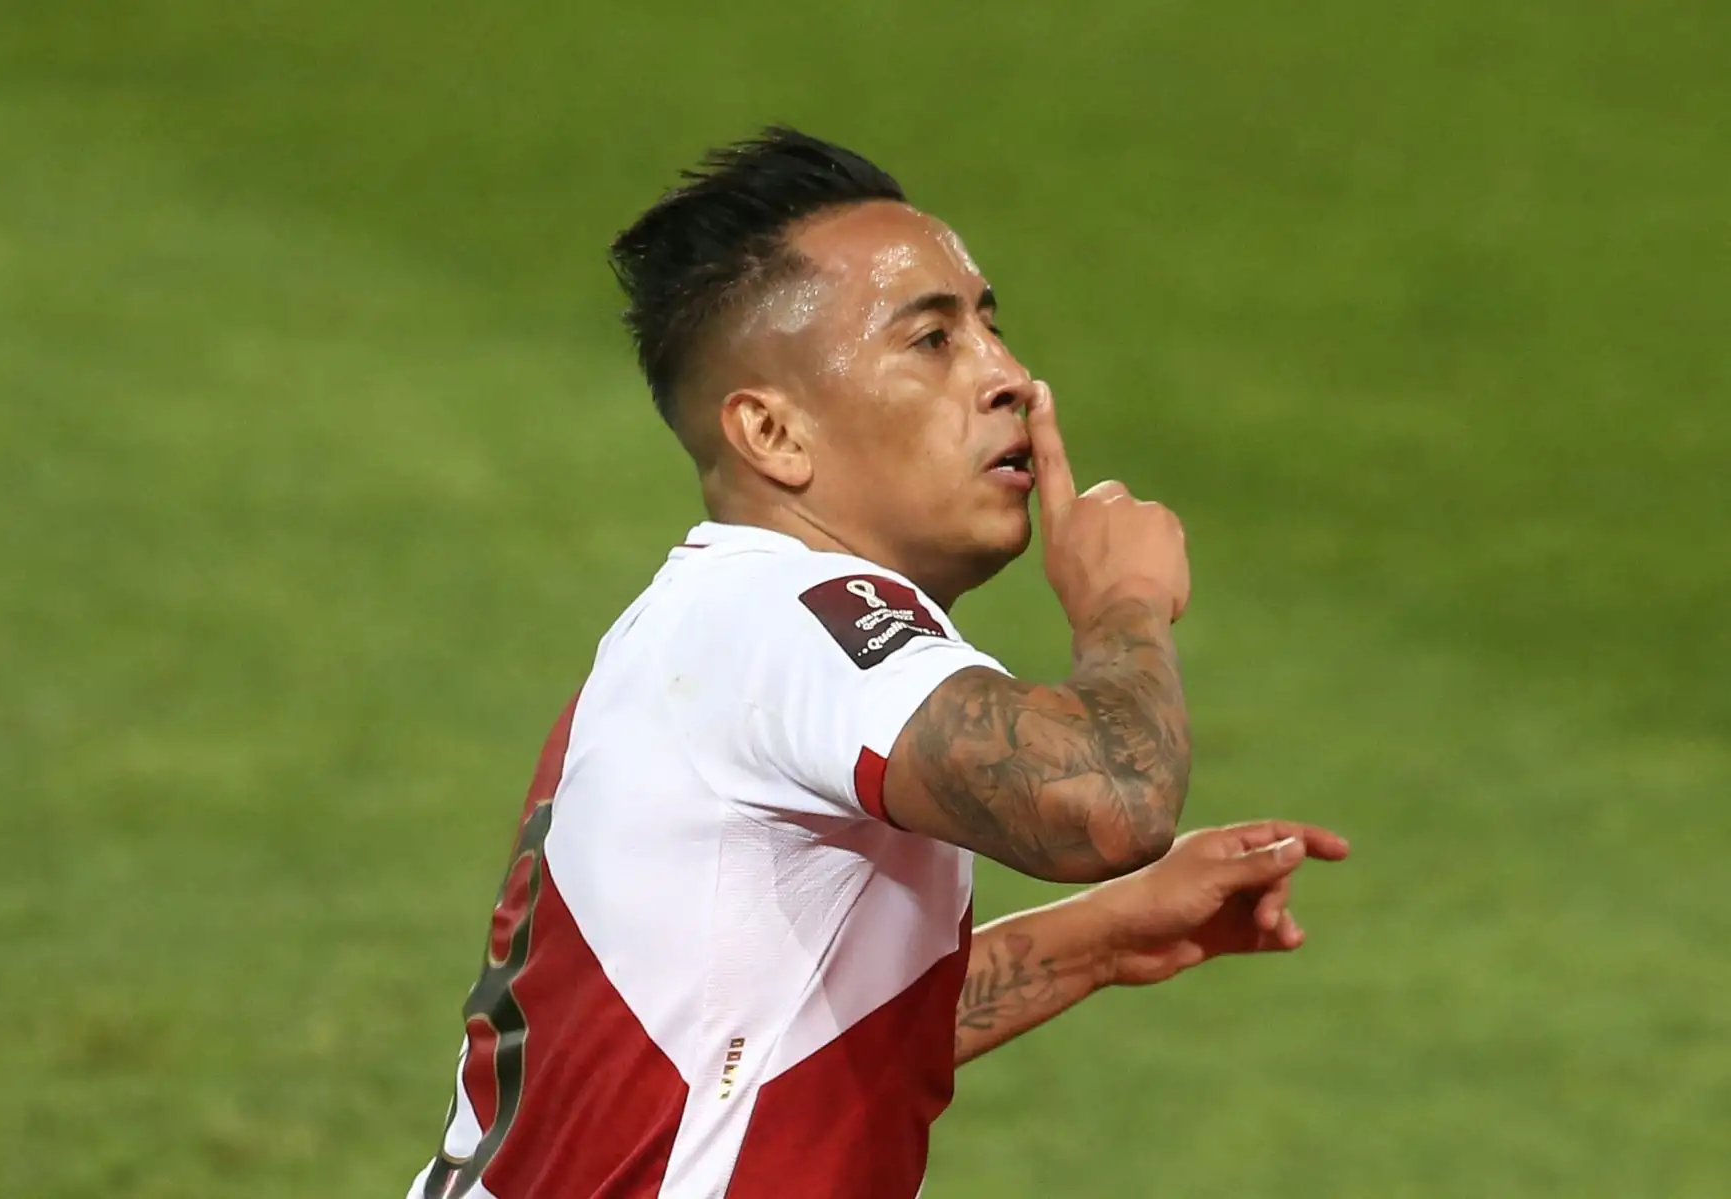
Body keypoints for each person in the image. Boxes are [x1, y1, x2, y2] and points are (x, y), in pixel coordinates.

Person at [406, 127, 1348, 1199]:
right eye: (932, 341)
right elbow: (1104, 802)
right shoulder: (792, 611)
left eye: (992, 326)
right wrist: (1121, 597)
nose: (1011, 379)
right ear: (772, 432)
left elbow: (773, 1046)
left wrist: (1098, 938)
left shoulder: (722, 626)